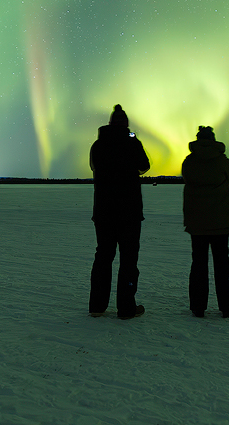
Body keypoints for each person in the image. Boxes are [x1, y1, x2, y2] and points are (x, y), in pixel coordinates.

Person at [89, 104, 150, 319]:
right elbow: (144, 166)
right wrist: (133, 142)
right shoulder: (132, 143)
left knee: (103, 257)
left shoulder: (98, 145)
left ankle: (97, 306)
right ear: (125, 125)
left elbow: (94, 167)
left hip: (104, 210)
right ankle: (126, 308)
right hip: (129, 211)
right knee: (128, 259)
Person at [181, 125, 229, 318]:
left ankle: (198, 307)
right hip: (220, 220)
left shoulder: (189, 161)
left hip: (196, 221)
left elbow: (186, 177)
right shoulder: (222, 161)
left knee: (198, 263)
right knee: (222, 263)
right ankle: (227, 307)